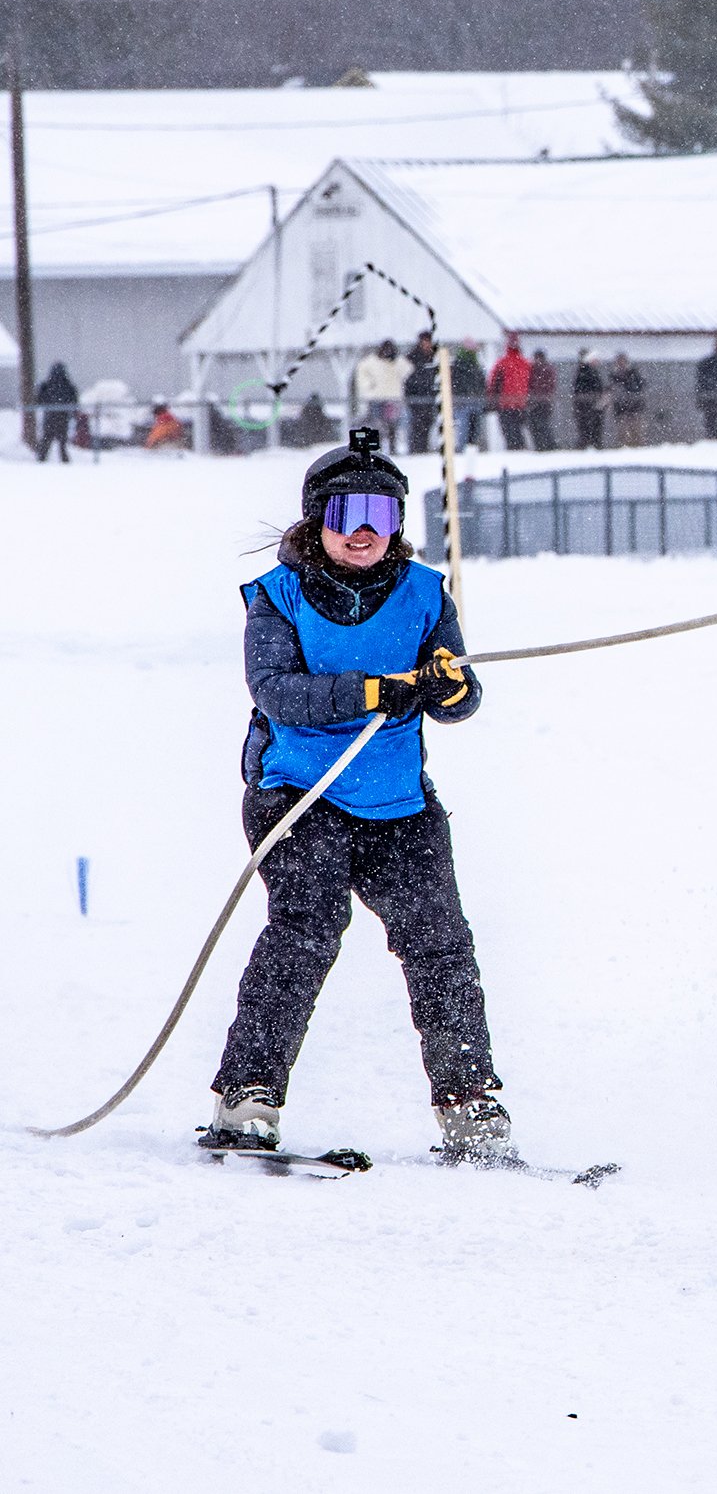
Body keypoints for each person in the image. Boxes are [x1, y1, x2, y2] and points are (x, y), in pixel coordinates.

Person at [202, 427, 514, 1165]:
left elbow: (457, 701)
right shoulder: (276, 597)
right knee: (305, 935)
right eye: (347, 515)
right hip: (300, 797)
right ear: (318, 521)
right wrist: (372, 689)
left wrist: (453, 686)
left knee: (440, 947)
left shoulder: (424, 593)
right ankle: (248, 1095)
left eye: (382, 513)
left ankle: (470, 1102)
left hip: (398, 805)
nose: (365, 531)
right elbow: (277, 693)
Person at [352, 340, 407, 444]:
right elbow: (362, 372)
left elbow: (407, 370)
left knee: (392, 425)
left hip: (393, 398)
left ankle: (392, 446)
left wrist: (395, 361)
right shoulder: (370, 362)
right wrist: (368, 386)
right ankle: (377, 446)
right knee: (376, 425)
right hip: (376, 398)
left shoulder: (398, 362)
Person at [488, 333, 532, 450]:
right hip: (521, 404)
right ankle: (520, 449)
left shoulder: (502, 363)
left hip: (505, 403)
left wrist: (492, 400)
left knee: (508, 431)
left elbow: (494, 383)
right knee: (518, 429)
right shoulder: (526, 363)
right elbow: (531, 383)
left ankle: (513, 449)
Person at [33, 361, 77, 462]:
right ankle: (64, 463)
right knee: (62, 445)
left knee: (46, 443)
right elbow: (74, 402)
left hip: (50, 419)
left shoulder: (47, 386)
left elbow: (39, 400)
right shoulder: (68, 387)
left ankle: (41, 462)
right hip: (62, 419)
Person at [451, 340, 489, 450]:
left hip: (471, 402)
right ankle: (466, 451)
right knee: (466, 430)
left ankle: (469, 451)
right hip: (464, 402)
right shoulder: (466, 366)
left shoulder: (472, 366)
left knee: (470, 430)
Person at [403, 338, 439, 453]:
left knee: (427, 425)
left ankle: (423, 449)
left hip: (429, 399)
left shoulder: (434, 358)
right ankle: (415, 450)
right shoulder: (412, 359)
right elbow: (408, 379)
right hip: (416, 398)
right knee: (416, 425)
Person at [607, 352, 647, 448]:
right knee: (622, 433)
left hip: (634, 407)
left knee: (636, 432)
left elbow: (639, 387)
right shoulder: (614, 376)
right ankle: (624, 449)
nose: (621, 364)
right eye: (619, 362)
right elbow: (612, 390)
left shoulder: (633, 374)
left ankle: (637, 448)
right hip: (621, 409)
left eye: (623, 362)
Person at [572, 349, 606, 449]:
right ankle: (591, 444)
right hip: (587, 404)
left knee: (591, 426)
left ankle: (592, 444)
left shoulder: (587, 371)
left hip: (590, 404)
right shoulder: (585, 371)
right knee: (587, 426)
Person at [527, 348, 559, 452]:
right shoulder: (537, 369)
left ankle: (548, 446)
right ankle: (542, 446)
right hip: (539, 402)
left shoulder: (543, 370)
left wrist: (538, 396)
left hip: (542, 402)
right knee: (537, 425)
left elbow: (547, 386)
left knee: (542, 425)